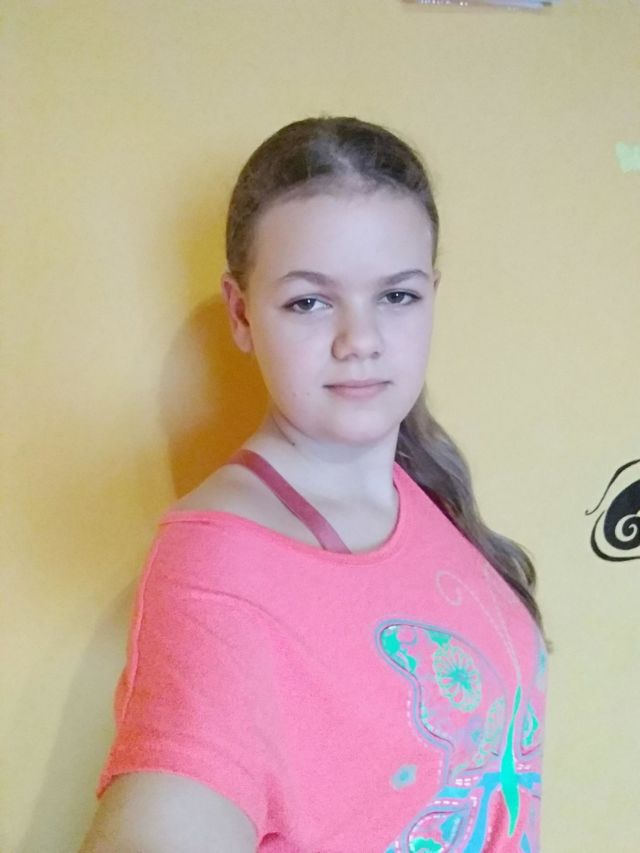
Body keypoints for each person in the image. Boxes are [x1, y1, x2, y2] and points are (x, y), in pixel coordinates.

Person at [79, 115, 550, 852]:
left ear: (433, 294)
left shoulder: (421, 486)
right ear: (241, 313)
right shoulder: (220, 574)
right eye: (310, 301)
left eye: (396, 296)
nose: (360, 340)